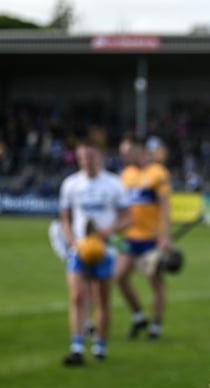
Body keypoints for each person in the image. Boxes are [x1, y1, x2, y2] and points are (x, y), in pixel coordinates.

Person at [58, 138, 131, 366]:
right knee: (78, 296)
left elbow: (128, 216)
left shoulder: (114, 184)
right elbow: (66, 218)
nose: (86, 161)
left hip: (104, 251)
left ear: (99, 157)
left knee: (102, 300)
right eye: (82, 158)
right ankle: (77, 347)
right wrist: (72, 242)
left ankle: (100, 345)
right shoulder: (70, 184)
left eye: (90, 157)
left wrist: (109, 231)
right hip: (80, 249)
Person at [115, 136, 173, 340]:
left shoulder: (158, 173)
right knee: (119, 276)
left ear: (138, 151)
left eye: (126, 152)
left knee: (155, 281)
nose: (123, 156)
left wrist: (165, 236)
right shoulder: (126, 174)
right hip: (131, 237)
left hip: (152, 238)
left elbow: (165, 207)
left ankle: (156, 325)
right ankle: (139, 316)